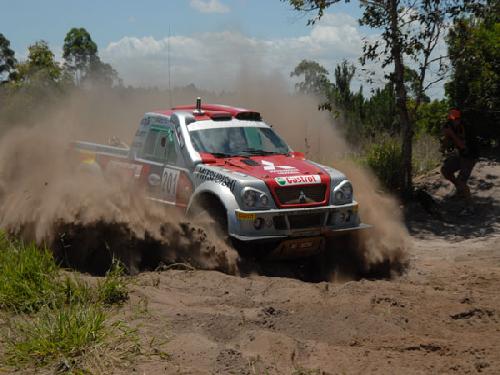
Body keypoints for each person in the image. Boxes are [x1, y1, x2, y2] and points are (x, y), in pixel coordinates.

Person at [440, 108, 480, 214]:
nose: (454, 121)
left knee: (462, 181)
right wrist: (444, 145)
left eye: (456, 119)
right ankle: (460, 190)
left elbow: (462, 146)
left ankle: (470, 206)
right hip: (461, 155)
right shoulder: (450, 125)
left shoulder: (466, 127)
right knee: (445, 170)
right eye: (452, 119)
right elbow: (447, 139)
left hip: (470, 155)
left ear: (459, 119)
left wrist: (451, 134)